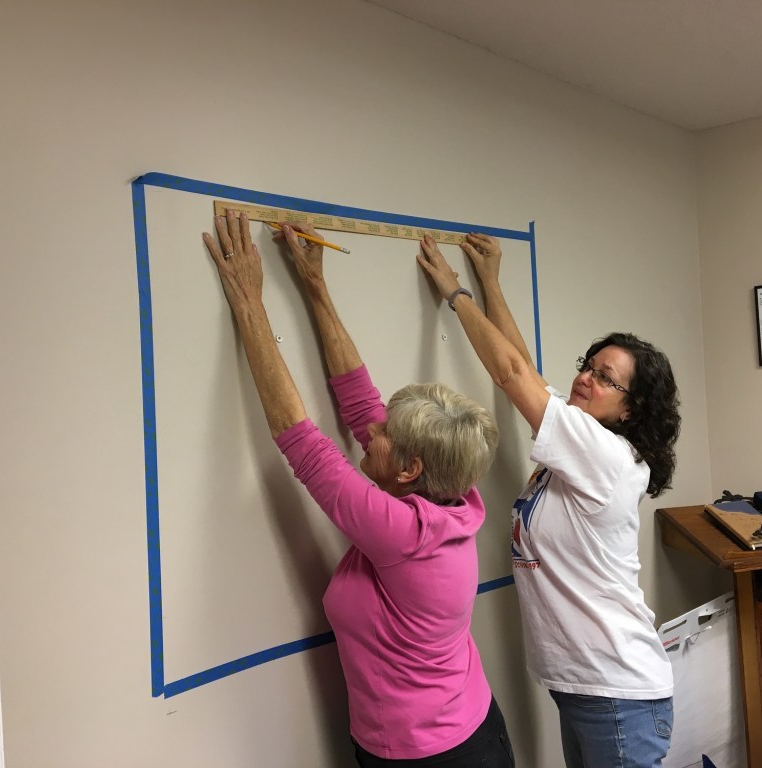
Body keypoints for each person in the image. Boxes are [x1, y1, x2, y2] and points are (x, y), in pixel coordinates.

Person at [202, 210, 515, 767]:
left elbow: (301, 440)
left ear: (410, 469)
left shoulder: (403, 532)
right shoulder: (451, 495)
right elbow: (359, 398)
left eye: (384, 435)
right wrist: (315, 286)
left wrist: (249, 300)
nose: (371, 430)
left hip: (433, 756)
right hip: (458, 726)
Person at [417, 232, 681, 768]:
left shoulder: (604, 456)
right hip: (586, 689)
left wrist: (456, 293)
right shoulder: (584, 440)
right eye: (588, 364)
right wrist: (491, 281)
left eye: (605, 378)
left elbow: (511, 374)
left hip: (617, 692)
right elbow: (526, 369)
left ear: (630, 410)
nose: (585, 378)